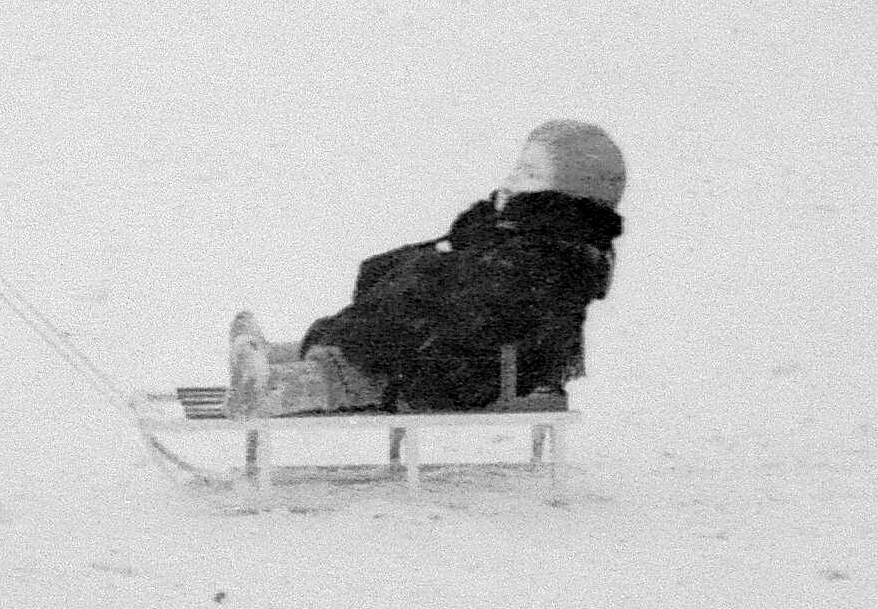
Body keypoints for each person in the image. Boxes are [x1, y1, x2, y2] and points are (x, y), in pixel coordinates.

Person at [227, 121, 624, 417]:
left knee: (375, 361)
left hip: (485, 368)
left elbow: (493, 304)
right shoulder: (515, 231)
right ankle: (268, 359)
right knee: (377, 336)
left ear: (569, 197)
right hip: (461, 346)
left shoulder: (557, 253)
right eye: (518, 168)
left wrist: (427, 285)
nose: (513, 179)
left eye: (532, 175)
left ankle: (271, 388)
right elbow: (469, 274)